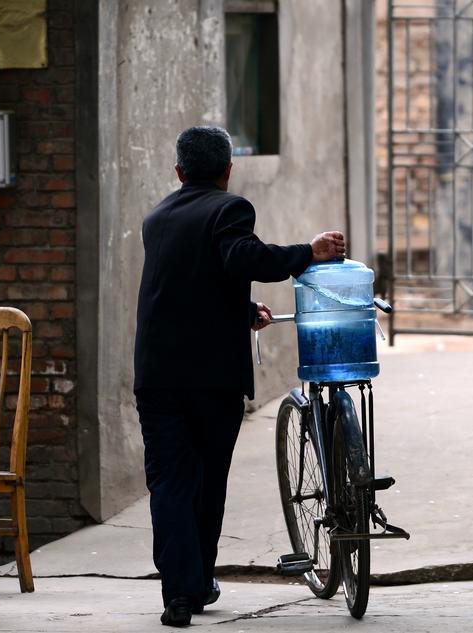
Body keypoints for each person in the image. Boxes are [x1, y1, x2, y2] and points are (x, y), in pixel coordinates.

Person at [133, 126, 346, 627]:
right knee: (205, 483)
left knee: (169, 483)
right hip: (211, 378)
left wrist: (242, 308)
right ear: (228, 170)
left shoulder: (156, 217)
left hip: (158, 376)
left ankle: (180, 596)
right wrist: (307, 253)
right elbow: (241, 258)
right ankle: (195, 582)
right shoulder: (231, 209)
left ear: (179, 171)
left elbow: (187, 283)